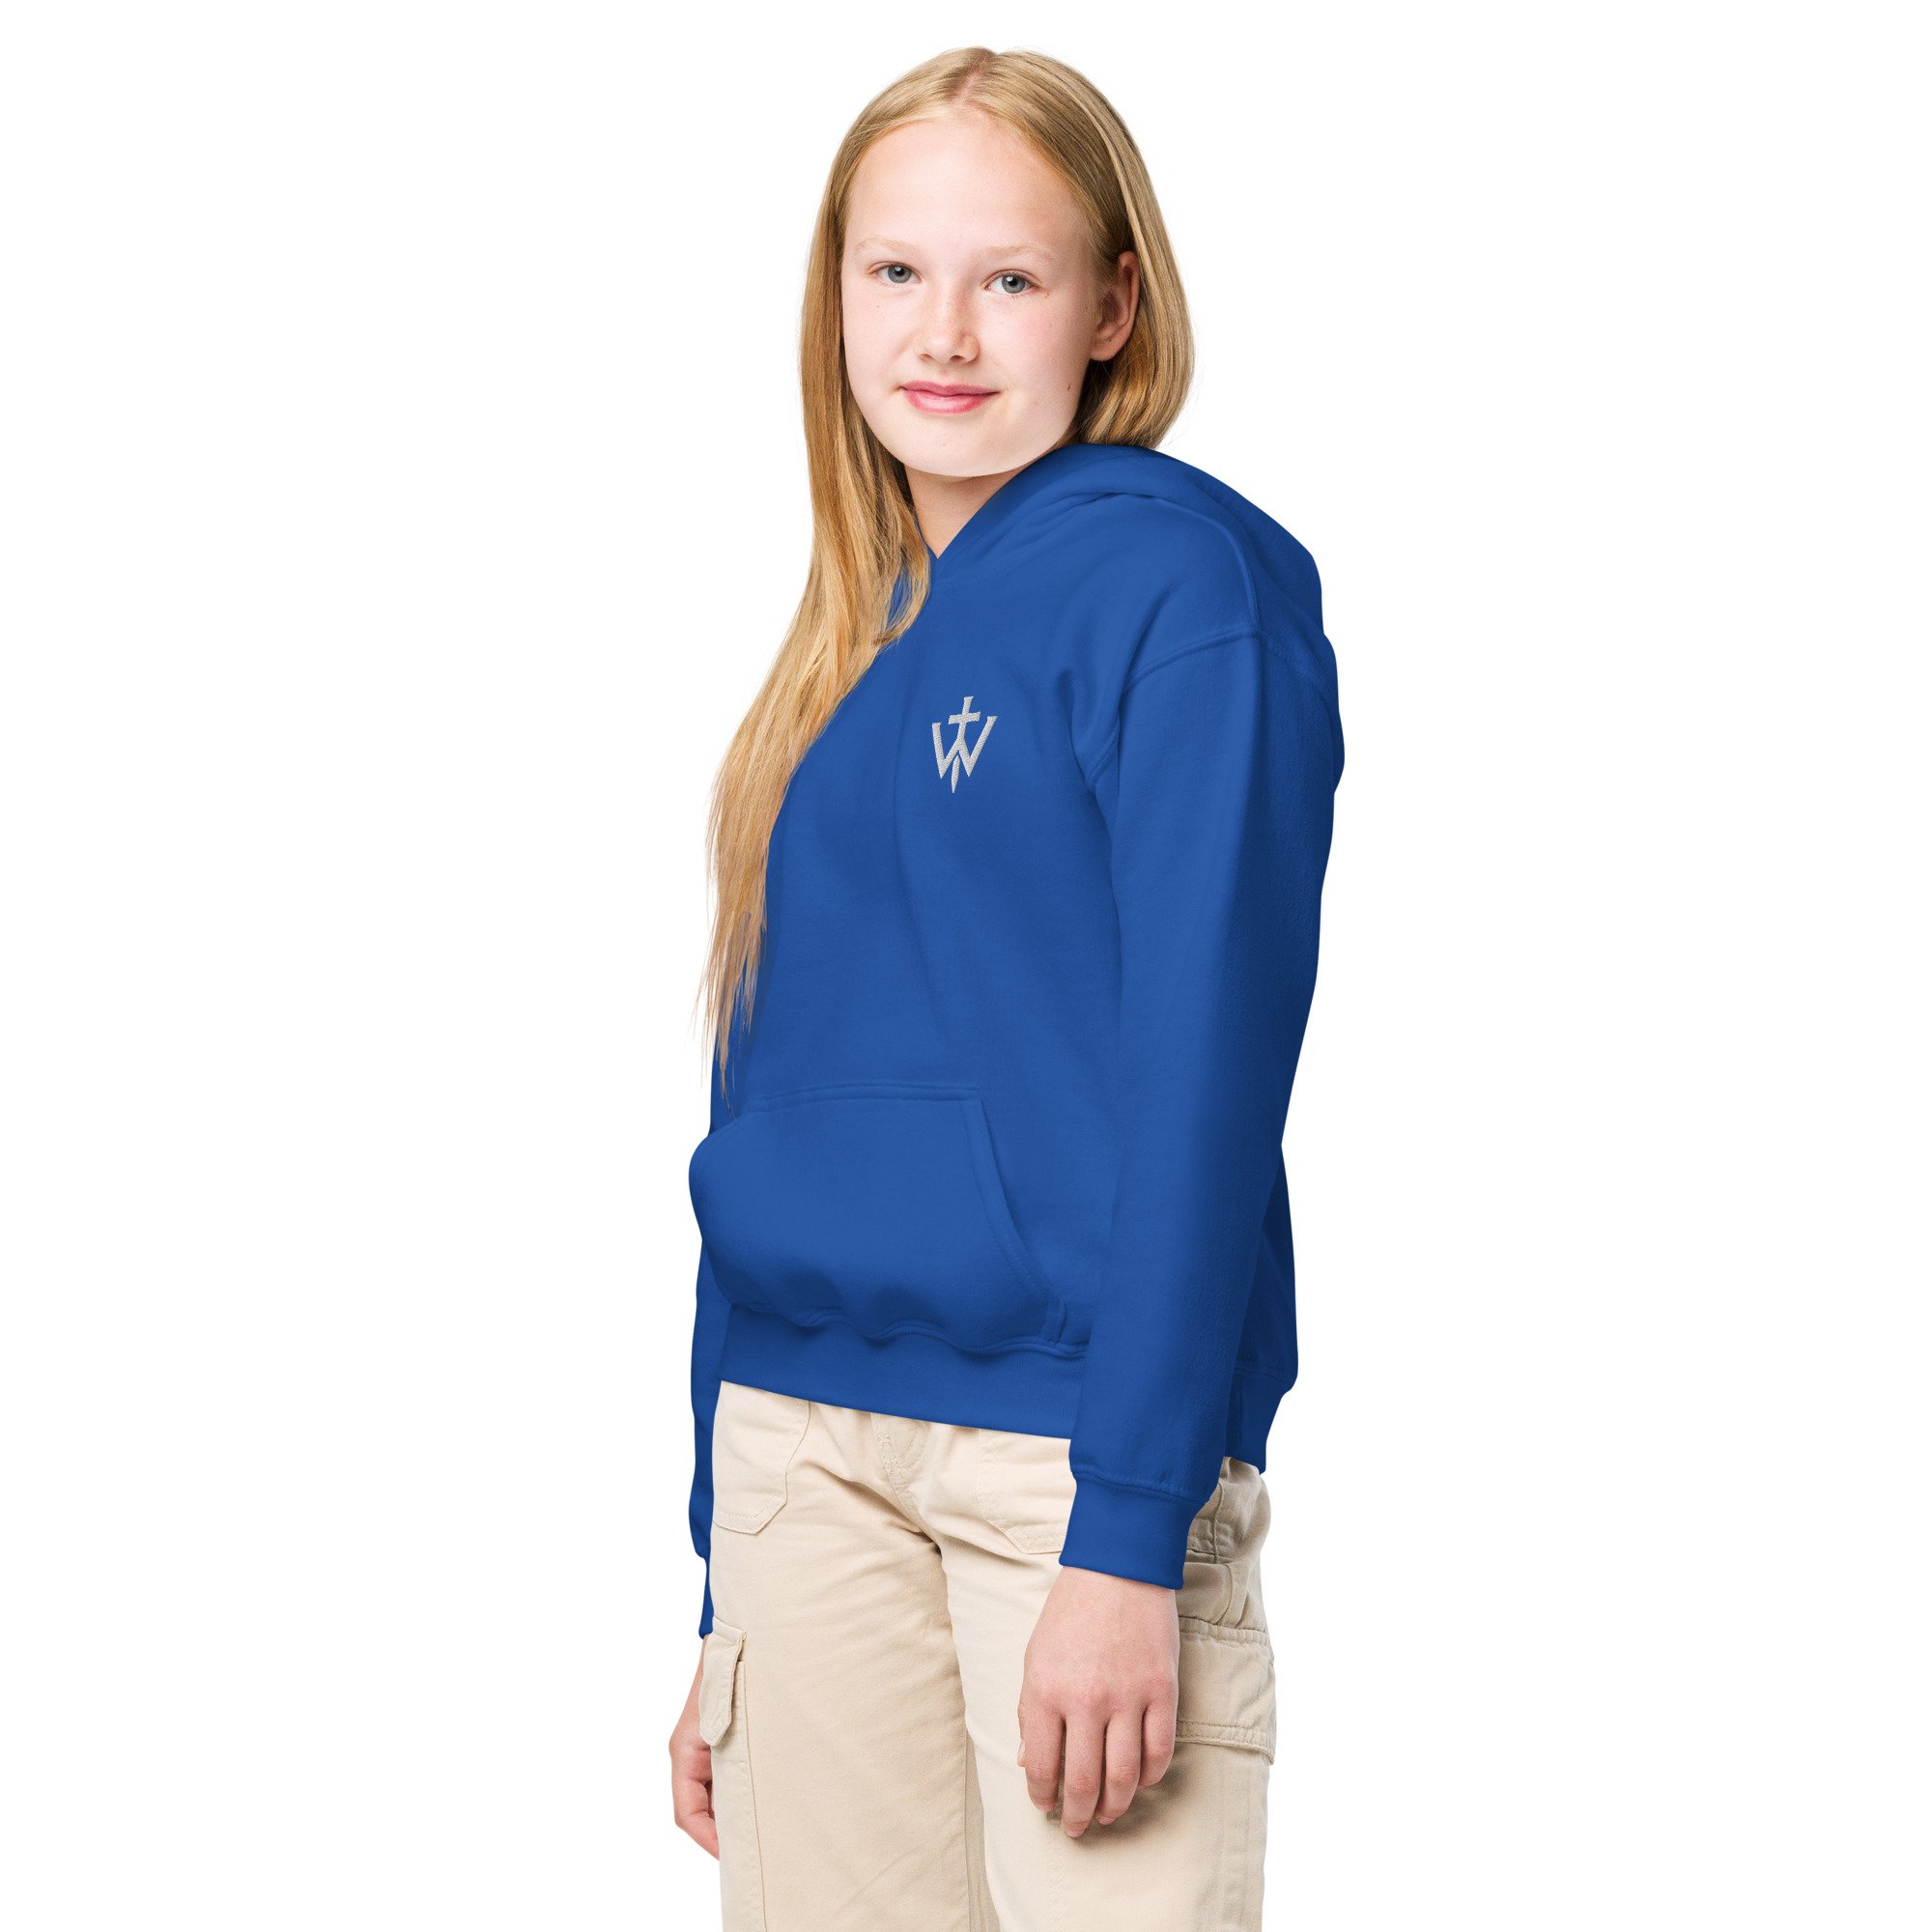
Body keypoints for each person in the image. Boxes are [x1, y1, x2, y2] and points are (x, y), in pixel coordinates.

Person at [668, 44, 1344, 1932]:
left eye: (1011, 277)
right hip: (799, 1461)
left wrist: (1129, 1533)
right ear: (835, 295)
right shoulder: (839, 650)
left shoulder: (1184, 589)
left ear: (1113, 304)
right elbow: (759, 1109)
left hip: (1064, 1466)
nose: (943, 332)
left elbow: (1208, 1080)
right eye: (895, 271)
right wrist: (720, 1587)